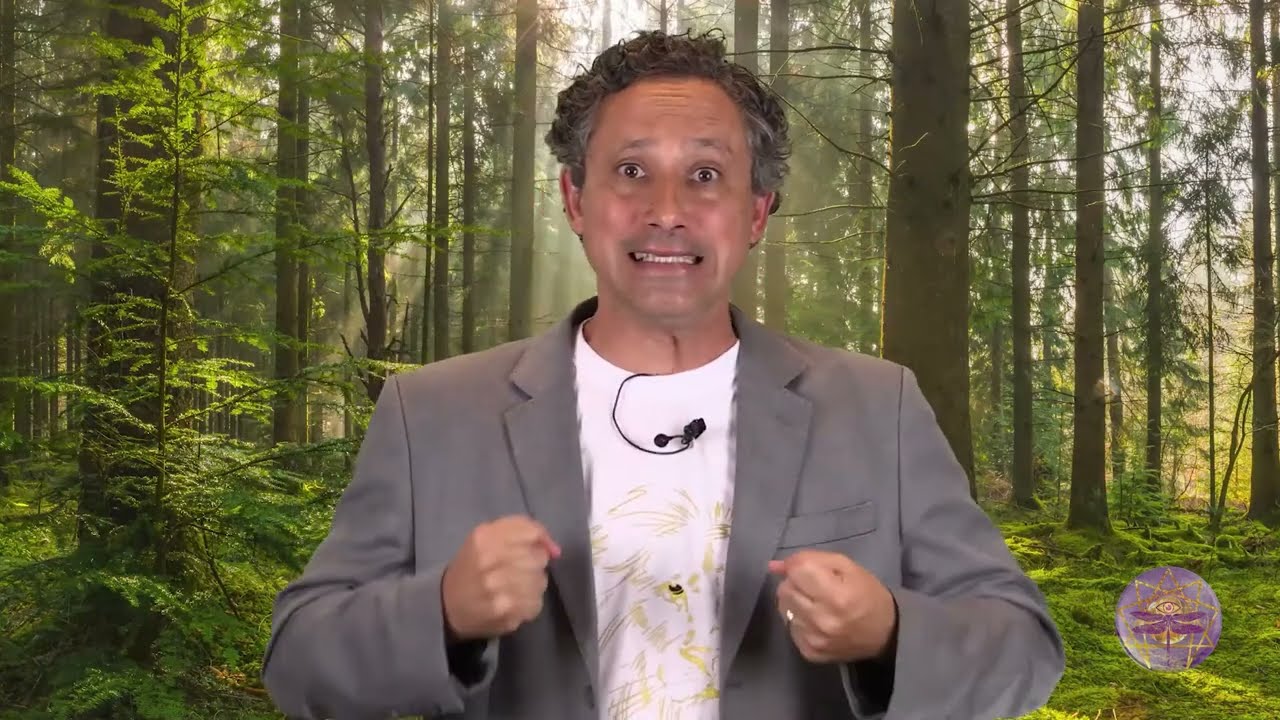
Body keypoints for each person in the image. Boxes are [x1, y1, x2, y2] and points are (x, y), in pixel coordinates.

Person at [261, 30, 1065, 720]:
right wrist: (440, 613)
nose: (668, 210)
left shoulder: (877, 407)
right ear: (576, 200)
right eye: (631, 171)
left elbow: (1024, 651)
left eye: (706, 175)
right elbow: (298, 662)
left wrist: (890, 633)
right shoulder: (431, 413)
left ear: (756, 211)